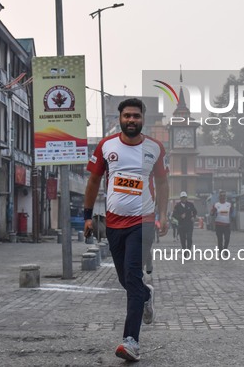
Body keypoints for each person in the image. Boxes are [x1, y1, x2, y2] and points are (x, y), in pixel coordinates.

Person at [83, 98, 169, 362]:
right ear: (120, 118)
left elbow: (163, 184)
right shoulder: (106, 146)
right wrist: (87, 216)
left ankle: (131, 341)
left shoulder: (155, 148)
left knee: (132, 275)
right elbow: (95, 180)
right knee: (127, 281)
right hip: (113, 223)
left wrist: (163, 215)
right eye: (127, 116)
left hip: (142, 222)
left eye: (136, 116)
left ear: (143, 119)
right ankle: (145, 294)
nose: (132, 120)